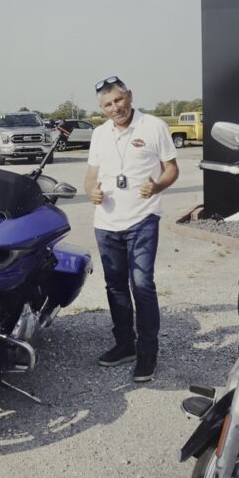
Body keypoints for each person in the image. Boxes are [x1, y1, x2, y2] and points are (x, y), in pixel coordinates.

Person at [83, 76, 179, 382]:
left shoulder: (153, 126)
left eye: (119, 101)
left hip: (142, 218)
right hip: (106, 223)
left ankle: (147, 352)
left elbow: (172, 169)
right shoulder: (99, 134)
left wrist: (157, 185)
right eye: (108, 104)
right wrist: (91, 192)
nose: (115, 108)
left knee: (142, 284)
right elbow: (91, 176)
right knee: (115, 287)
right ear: (102, 108)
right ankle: (125, 344)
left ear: (130, 97)